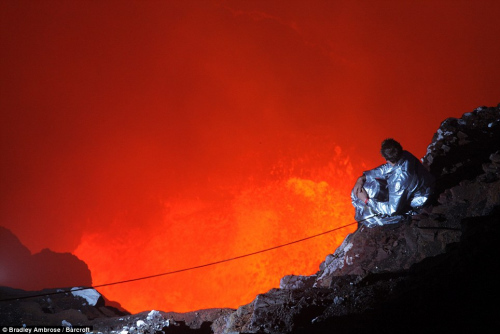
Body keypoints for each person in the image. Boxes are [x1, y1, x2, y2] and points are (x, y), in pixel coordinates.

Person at [351, 138, 434, 227]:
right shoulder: (404, 155)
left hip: (420, 200)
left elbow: (392, 210)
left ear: (386, 158)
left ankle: (405, 216)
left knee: (368, 216)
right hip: (425, 186)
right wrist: (363, 178)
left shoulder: (399, 181)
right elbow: (386, 168)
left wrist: (366, 200)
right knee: (369, 185)